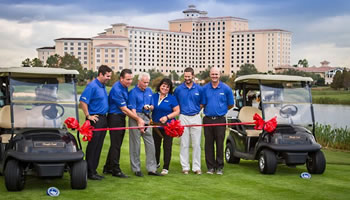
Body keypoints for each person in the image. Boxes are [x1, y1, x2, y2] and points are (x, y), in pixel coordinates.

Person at [104, 69, 145, 178]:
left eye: (131, 79)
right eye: (127, 79)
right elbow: (124, 109)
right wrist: (138, 119)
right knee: (116, 145)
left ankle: (108, 167)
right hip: (115, 118)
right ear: (121, 78)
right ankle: (115, 170)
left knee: (115, 144)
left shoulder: (124, 87)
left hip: (119, 118)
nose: (130, 81)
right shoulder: (117, 89)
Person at [79, 65, 112, 180]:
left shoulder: (102, 86)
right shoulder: (92, 86)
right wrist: (88, 116)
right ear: (101, 74)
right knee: (93, 145)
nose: (109, 78)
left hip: (103, 119)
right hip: (95, 119)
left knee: (99, 145)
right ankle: (89, 171)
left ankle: (94, 170)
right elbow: (83, 101)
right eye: (107, 76)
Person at [128, 72, 162, 177]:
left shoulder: (149, 91)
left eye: (147, 82)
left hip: (147, 117)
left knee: (150, 143)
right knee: (135, 144)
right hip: (135, 117)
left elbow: (152, 105)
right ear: (139, 81)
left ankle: (152, 169)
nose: (146, 84)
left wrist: (150, 107)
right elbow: (132, 108)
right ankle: (136, 169)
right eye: (144, 82)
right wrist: (138, 121)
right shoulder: (133, 92)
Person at [202, 67, 234, 175]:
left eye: (216, 74)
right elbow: (202, 103)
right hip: (207, 119)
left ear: (219, 75)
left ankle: (219, 167)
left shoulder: (226, 89)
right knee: (208, 144)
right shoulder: (205, 88)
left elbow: (231, 105)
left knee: (220, 144)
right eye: (212, 74)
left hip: (220, 119)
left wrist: (221, 110)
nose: (214, 76)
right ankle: (210, 167)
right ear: (210, 75)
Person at [174, 67, 203, 175]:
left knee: (196, 143)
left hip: (196, 116)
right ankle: (185, 167)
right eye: (185, 76)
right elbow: (175, 103)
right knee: (184, 143)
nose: (187, 78)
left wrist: (196, 111)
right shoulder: (178, 89)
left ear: (193, 76)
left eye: (189, 77)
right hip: (183, 117)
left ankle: (196, 167)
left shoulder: (199, 89)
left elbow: (202, 103)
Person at [151, 78, 180, 175]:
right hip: (156, 126)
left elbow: (177, 111)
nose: (165, 88)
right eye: (163, 86)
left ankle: (165, 167)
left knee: (167, 147)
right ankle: (156, 163)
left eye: (167, 87)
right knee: (155, 146)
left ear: (170, 88)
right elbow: (151, 107)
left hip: (168, 126)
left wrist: (167, 117)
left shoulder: (172, 98)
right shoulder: (154, 96)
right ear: (160, 86)